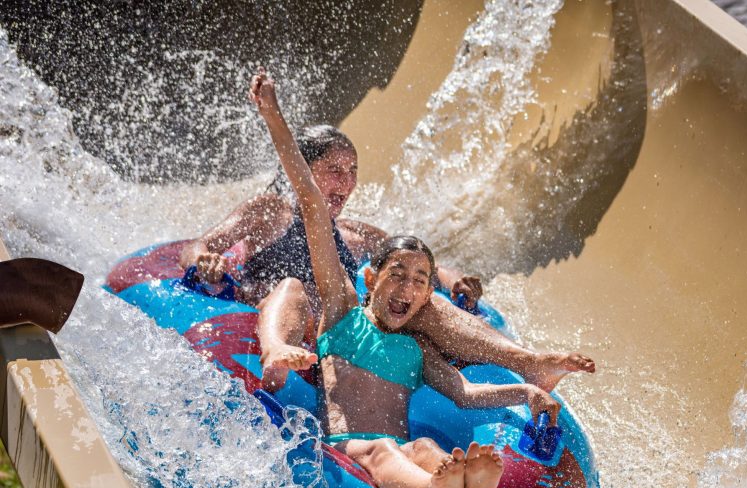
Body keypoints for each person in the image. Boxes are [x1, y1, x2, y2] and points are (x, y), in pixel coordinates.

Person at [250, 69, 569, 488]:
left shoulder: (417, 349)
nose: (406, 288)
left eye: (420, 282)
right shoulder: (341, 313)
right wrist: (273, 115)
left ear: (427, 296)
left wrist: (527, 391)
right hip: (350, 446)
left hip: (400, 447)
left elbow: (464, 393)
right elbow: (312, 204)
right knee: (385, 452)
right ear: (369, 279)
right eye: (396, 275)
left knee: (425, 449)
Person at [179, 128, 594, 394]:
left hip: (343, 338)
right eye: (334, 168)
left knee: (422, 304)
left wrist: (452, 280)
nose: (346, 181)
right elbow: (197, 246)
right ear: (303, 171)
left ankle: (529, 363)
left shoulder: (354, 234)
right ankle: (277, 363)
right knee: (295, 288)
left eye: (353, 171)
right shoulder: (271, 211)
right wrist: (207, 261)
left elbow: (412, 261)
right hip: (289, 323)